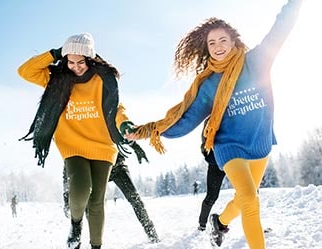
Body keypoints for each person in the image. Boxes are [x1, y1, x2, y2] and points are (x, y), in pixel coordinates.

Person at [126, 1, 303, 248]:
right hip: (228, 145)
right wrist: (149, 130)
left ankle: (219, 222)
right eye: (212, 43)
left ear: (234, 42)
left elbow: (281, 28)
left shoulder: (257, 61)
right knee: (251, 200)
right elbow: (186, 119)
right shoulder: (209, 84)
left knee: (244, 199)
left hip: (259, 141)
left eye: (222, 40)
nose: (218, 47)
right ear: (206, 49)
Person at [18, 32, 136, 249]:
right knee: (81, 188)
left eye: (80, 62)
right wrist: (54, 54)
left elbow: (116, 108)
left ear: (90, 59)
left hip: (102, 145)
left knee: (97, 200)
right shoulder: (57, 79)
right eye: (70, 61)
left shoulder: (103, 79)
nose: (75, 67)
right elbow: (24, 71)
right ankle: (75, 224)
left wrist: (125, 124)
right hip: (71, 144)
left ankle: (96, 246)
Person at [62, 143, 160, 243]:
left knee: (134, 198)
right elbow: (69, 161)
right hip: (96, 166)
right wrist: (66, 197)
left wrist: (135, 146)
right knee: (91, 203)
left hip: (117, 165)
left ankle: (150, 231)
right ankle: (81, 234)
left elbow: (121, 129)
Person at [197, 118, 225, 232]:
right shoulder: (211, 118)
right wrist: (207, 154)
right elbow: (204, 140)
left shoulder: (236, 111)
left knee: (249, 192)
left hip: (235, 158)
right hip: (216, 162)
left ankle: (253, 223)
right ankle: (202, 224)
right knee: (212, 196)